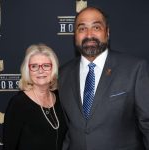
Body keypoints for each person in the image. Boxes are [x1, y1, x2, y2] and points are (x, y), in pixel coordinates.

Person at [58, 6, 149, 150]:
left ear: (107, 32)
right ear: (75, 35)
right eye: (82, 29)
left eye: (96, 27)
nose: (89, 34)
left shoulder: (135, 69)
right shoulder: (63, 74)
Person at [3, 44, 67, 150]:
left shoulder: (60, 98)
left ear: (53, 69)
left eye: (46, 65)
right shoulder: (18, 104)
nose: (40, 70)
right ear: (28, 71)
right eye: (34, 66)